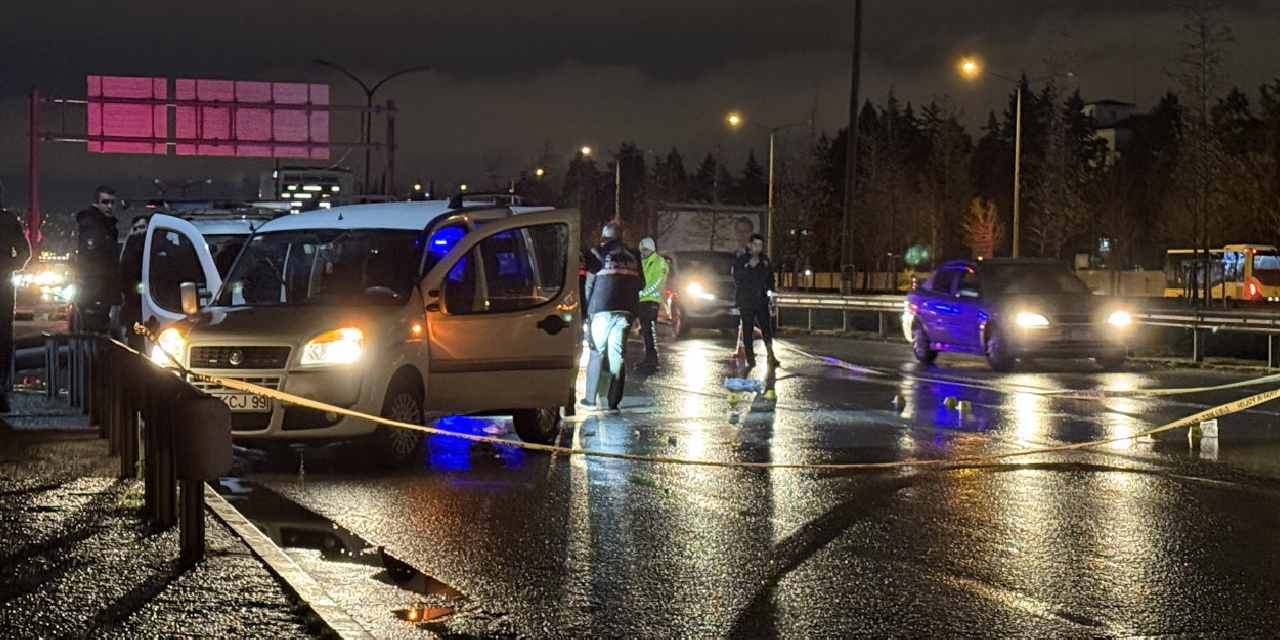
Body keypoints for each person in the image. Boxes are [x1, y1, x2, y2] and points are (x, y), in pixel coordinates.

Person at [580, 223, 642, 413]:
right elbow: (641, 284)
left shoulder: (598, 253)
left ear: (604, 237)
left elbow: (589, 284)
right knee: (618, 356)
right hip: (626, 311)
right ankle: (613, 402)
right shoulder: (634, 256)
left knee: (596, 352)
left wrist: (586, 312)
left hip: (601, 309)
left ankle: (590, 400)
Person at [73, 186, 121, 333]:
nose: (109, 206)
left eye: (112, 202)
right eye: (105, 202)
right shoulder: (93, 225)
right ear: (96, 203)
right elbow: (95, 258)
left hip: (100, 290)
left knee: (98, 332)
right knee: (95, 332)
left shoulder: (106, 225)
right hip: (95, 290)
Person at [0, 209, 31, 412]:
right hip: (3, 286)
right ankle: (1, 389)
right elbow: (24, 253)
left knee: (3, 337)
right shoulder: (8, 220)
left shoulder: (8, 220)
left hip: (2, 287)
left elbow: (24, 253)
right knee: (3, 338)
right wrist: (7, 266)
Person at [733, 233, 779, 369]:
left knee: (766, 328)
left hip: (761, 301)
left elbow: (770, 280)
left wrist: (772, 295)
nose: (758, 248)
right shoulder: (742, 260)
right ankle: (750, 358)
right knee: (747, 329)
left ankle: (771, 355)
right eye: (755, 245)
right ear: (749, 245)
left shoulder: (765, 261)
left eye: (760, 245)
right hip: (746, 301)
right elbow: (737, 278)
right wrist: (748, 267)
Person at [636, 237, 668, 371]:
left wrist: (641, 293)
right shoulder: (643, 261)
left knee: (649, 330)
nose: (643, 252)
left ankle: (652, 360)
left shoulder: (659, 262)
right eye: (641, 250)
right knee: (645, 331)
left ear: (651, 249)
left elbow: (657, 282)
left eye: (645, 249)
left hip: (651, 301)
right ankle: (649, 359)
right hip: (642, 300)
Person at [118, 214, 149, 347]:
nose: (139, 232)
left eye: (142, 227)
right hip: (135, 306)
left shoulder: (152, 247)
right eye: (136, 228)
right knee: (137, 336)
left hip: (151, 302)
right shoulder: (129, 247)